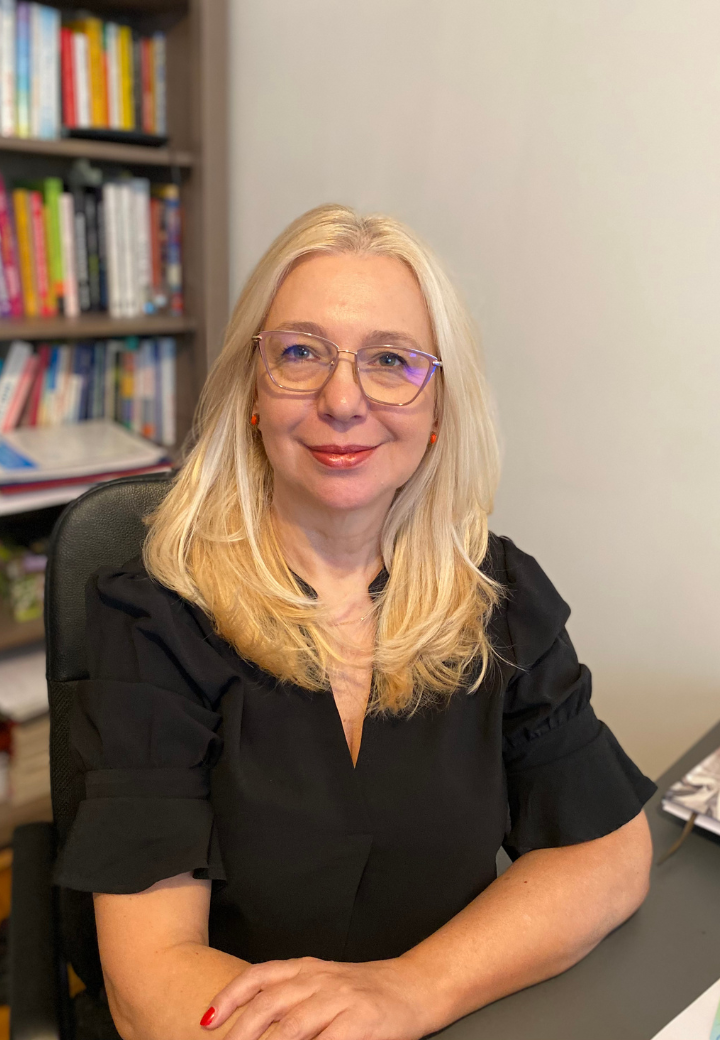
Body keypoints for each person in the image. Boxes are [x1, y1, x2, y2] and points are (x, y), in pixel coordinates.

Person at [56, 204, 656, 1040]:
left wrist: (414, 990)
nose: (343, 400)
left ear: (439, 406)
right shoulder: (154, 615)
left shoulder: (496, 594)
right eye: (300, 353)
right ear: (252, 393)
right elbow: (151, 978)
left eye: (391, 361)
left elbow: (608, 853)